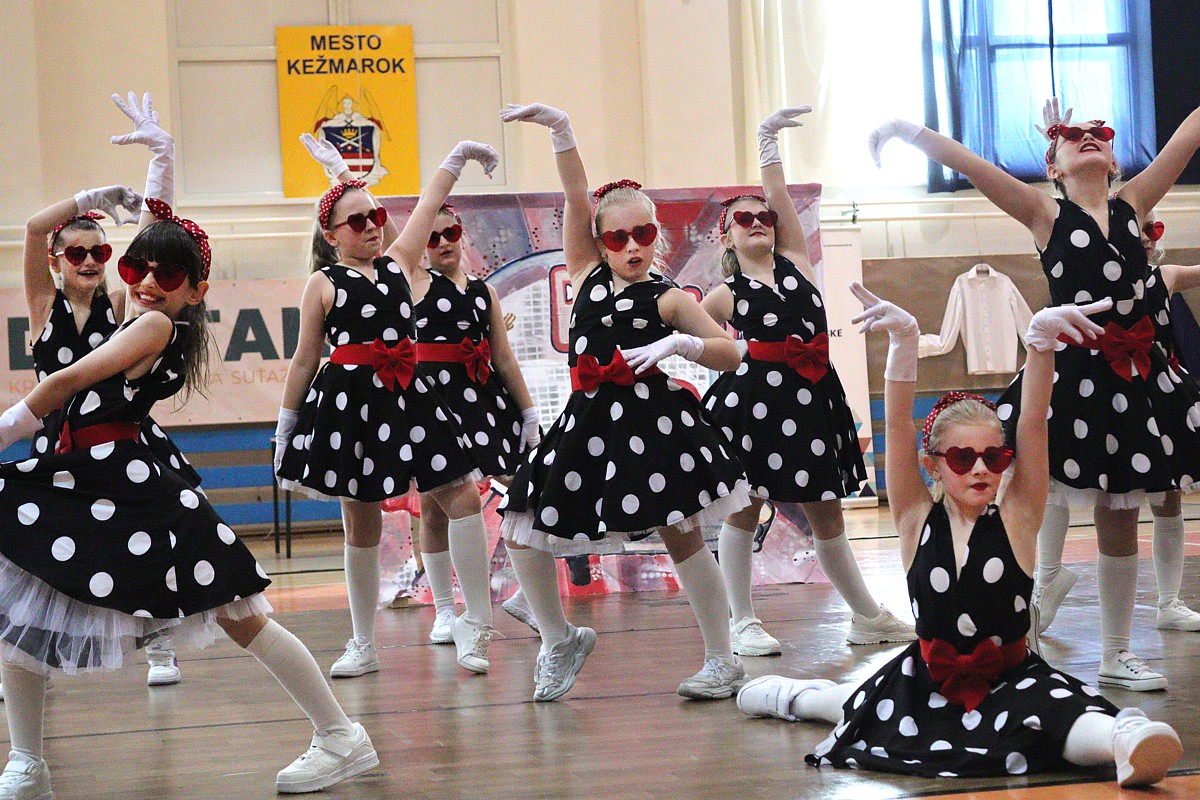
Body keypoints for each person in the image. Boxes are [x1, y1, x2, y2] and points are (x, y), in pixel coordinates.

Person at [0, 118, 376, 796]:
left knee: (240, 612)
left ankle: (341, 734)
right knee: (26, 615)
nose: (145, 280)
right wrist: (160, 162)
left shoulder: (150, 323)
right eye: (135, 269)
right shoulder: (127, 309)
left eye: (166, 274)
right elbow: (155, 233)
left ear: (195, 289)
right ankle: (27, 760)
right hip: (78, 478)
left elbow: (64, 382)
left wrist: (3, 432)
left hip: (133, 484)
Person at [736, 284, 1183, 788]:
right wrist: (904, 344)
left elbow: (1033, 424)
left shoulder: (1018, 518)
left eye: (994, 457)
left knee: (1058, 716)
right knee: (858, 705)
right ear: (933, 465)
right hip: (927, 680)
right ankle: (791, 696)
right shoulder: (913, 519)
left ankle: (1125, 736)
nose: (980, 469)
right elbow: (897, 426)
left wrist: (1040, 347)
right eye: (962, 458)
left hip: (1012, 681)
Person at [866, 97, 1200, 690]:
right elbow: (972, 165)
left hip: (1132, 378)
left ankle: (1115, 652)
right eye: (1072, 134)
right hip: (1072, 378)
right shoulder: (1046, 213)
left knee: (1121, 514)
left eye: (1099, 131)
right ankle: (1023, 609)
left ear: (1114, 158)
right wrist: (904, 129)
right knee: (1033, 495)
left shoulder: (1133, 203)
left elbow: (1190, 130)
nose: (1088, 136)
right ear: (1053, 166)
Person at [498, 102, 750, 702]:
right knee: (521, 525)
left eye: (644, 234)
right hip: (587, 424)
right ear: (600, 242)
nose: (633, 246)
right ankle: (559, 639)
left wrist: (683, 343)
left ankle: (723, 659)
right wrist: (562, 131)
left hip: (654, 425)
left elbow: (732, 353)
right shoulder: (585, 274)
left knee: (681, 533)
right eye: (619, 236)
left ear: (657, 235)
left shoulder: (668, 297)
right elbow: (574, 193)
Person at [276, 137, 496, 675]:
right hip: (350, 404)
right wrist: (286, 429)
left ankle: (476, 622)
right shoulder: (323, 282)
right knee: (361, 521)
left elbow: (427, 205)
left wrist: (456, 158)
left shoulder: (400, 263)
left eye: (375, 216)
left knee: (461, 494)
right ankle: (363, 643)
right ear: (331, 236)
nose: (373, 226)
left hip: (410, 394)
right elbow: (304, 360)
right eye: (357, 221)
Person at [701, 105, 913, 655]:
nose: (757, 222)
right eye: (743, 218)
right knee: (745, 508)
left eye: (763, 216)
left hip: (811, 400)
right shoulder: (723, 295)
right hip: (752, 407)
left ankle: (866, 616)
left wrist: (768, 142)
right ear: (726, 238)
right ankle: (742, 621)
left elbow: (780, 195)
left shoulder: (797, 262)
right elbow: (697, 342)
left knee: (827, 511)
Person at [1034, 207, 1200, 635]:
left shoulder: (1164, 277)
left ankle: (1169, 601)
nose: (1143, 236)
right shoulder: (1089, 272)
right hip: (1098, 384)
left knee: (1168, 498)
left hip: (1154, 389)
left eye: (1150, 229)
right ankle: (1046, 578)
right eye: (1136, 228)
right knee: (1056, 477)